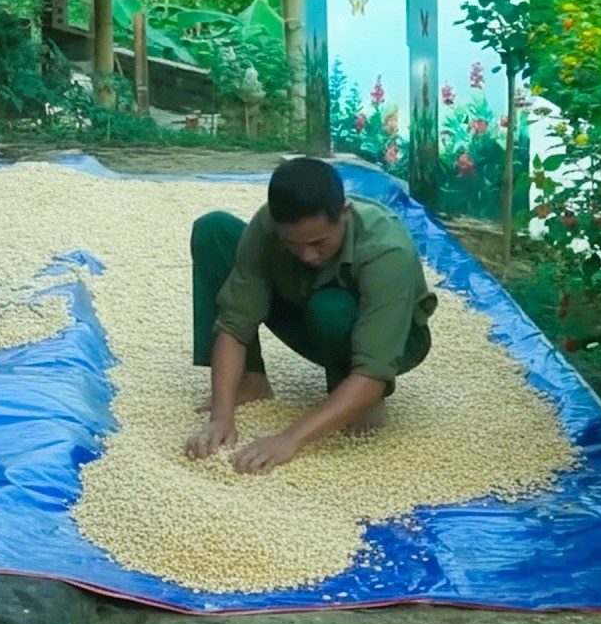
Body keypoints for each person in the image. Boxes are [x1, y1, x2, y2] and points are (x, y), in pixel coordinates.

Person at [185, 157, 437, 474]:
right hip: (307, 303)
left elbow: (374, 370)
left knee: (331, 306)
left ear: (344, 213)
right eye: (292, 244)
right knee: (214, 229)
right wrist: (221, 418)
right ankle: (250, 380)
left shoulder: (387, 250)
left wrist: (290, 439)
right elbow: (234, 324)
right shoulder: (268, 225)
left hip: (397, 340)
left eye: (318, 243)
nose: (306, 255)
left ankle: (356, 397)